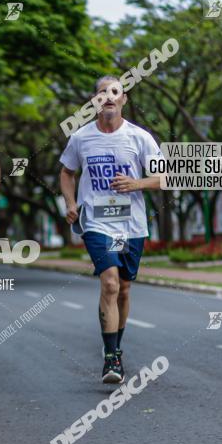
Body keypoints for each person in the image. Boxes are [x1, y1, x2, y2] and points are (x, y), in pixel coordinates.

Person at [59, 75, 163, 384]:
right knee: (110, 284)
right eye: (102, 92)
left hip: (131, 224)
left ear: (123, 100)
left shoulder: (140, 137)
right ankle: (110, 358)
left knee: (125, 287)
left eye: (114, 92)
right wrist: (70, 202)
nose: (108, 96)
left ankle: (117, 347)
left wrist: (136, 183)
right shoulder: (81, 138)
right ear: (95, 100)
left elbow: (163, 178)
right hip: (97, 222)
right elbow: (66, 173)